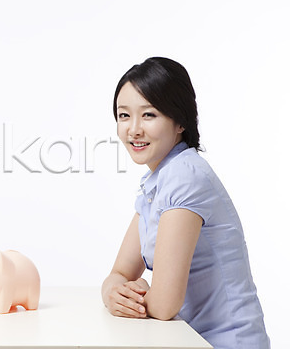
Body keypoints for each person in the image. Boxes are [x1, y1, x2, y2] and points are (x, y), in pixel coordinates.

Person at [101, 57, 270, 349]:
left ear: (180, 121)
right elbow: (119, 274)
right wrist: (113, 294)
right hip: (189, 339)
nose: (134, 129)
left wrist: (135, 296)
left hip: (225, 343)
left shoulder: (185, 177)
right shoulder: (158, 182)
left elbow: (165, 305)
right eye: (124, 115)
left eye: (149, 115)